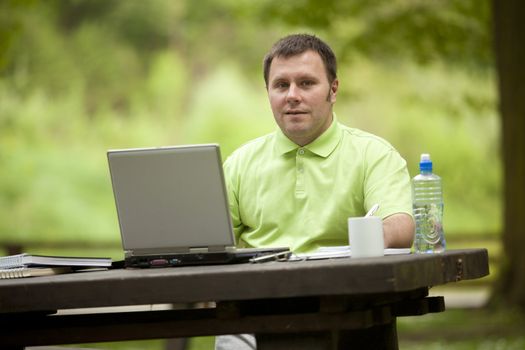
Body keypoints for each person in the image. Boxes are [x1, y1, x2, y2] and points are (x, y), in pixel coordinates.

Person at [215, 33, 415, 350]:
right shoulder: (240, 163)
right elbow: (211, 241)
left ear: (333, 90)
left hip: (348, 310)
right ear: (267, 92)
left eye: (306, 83)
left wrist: (368, 236)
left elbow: (400, 226)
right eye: (281, 85)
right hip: (254, 316)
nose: (292, 95)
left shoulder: (373, 154)